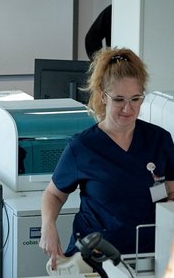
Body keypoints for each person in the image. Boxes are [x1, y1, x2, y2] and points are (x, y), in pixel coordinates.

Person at [40, 47, 174, 270]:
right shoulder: (83, 147)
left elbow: (171, 194)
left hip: (147, 257)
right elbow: (53, 194)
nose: (128, 108)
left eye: (135, 99)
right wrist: (48, 226)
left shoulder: (159, 140)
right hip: (94, 259)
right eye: (119, 99)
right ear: (103, 96)